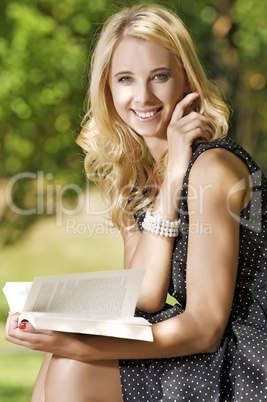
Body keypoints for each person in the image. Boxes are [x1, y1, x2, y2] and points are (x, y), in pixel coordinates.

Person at [5, 4, 267, 401]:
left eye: (159, 76)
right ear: (108, 88)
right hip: (200, 344)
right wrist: (54, 323)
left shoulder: (213, 167)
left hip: (245, 357)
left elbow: (205, 327)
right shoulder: (137, 175)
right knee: (60, 358)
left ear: (187, 81)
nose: (142, 96)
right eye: (125, 79)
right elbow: (145, 295)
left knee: (75, 366)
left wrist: (85, 346)